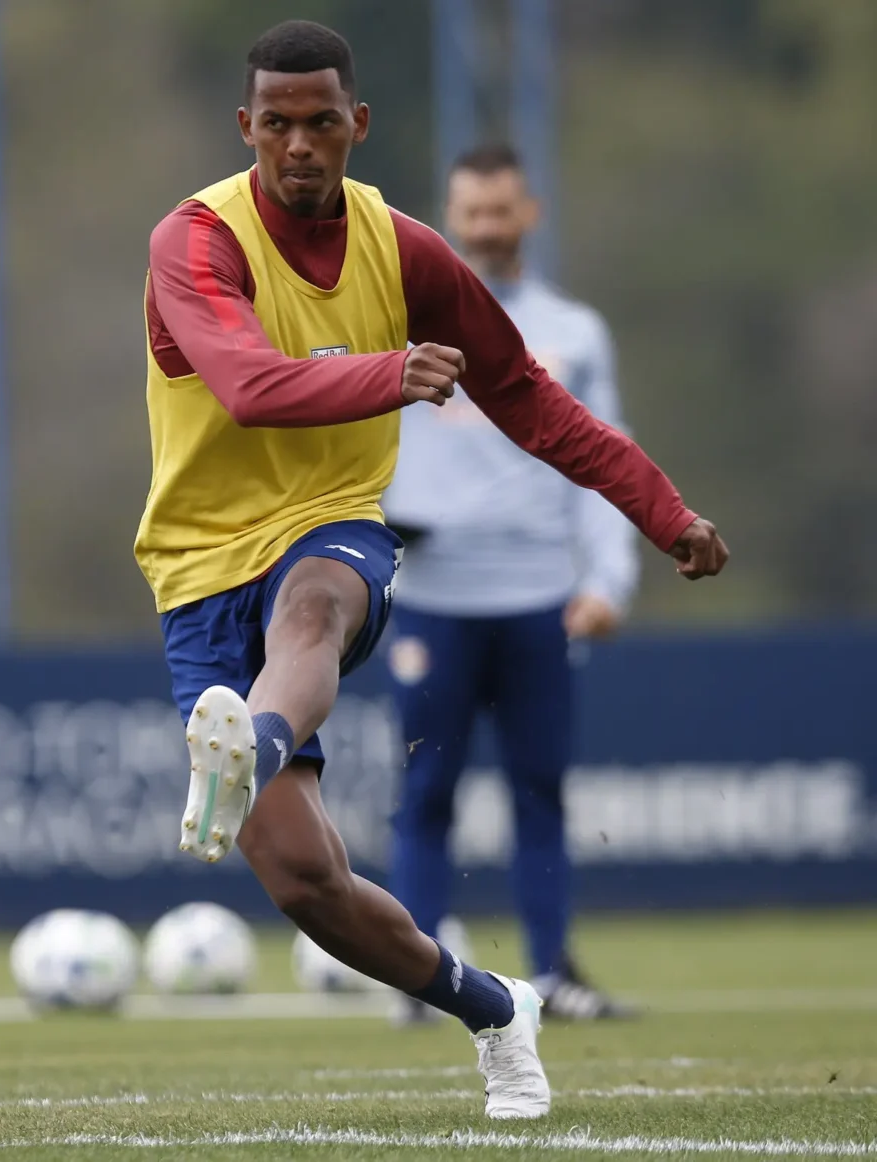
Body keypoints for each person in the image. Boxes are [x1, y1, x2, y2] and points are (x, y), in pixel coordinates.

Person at [135, 21, 728, 1120]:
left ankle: (245, 749)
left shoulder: (404, 250)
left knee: (313, 610)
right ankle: (497, 1004)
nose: (300, 145)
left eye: (322, 123)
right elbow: (251, 385)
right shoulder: (196, 242)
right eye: (278, 124)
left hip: (333, 526)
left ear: (358, 124)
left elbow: (537, 404)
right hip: (199, 564)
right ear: (245, 127)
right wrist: (386, 373)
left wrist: (664, 512)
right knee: (306, 883)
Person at [385, 144, 637, 1024]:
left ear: (527, 213)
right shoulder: (403, 320)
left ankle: (555, 972)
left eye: (502, 212)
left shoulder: (574, 332)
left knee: (542, 788)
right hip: (431, 598)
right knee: (425, 794)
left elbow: (607, 463)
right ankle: (415, 980)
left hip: (540, 594)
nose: (487, 228)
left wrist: (610, 578)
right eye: (472, 213)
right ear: (450, 217)